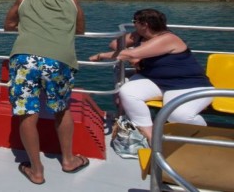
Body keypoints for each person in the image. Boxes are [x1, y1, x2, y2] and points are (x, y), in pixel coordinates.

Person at [3, 0, 88, 185]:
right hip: (59, 59)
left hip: (25, 59)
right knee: (62, 109)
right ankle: (68, 160)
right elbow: (80, 30)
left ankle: (36, 170)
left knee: (27, 112)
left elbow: (9, 25)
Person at [89, 9, 213, 144]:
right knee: (128, 92)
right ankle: (150, 135)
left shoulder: (168, 39)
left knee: (177, 114)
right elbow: (114, 45)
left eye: (134, 22)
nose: (133, 25)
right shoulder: (141, 36)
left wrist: (101, 55)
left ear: (145, 25)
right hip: (157, 81)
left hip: (188, 85)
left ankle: (205, 136)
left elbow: (131, 56)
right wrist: (134, 40)